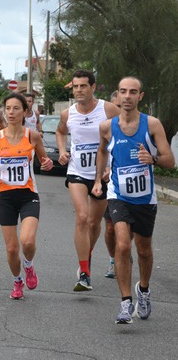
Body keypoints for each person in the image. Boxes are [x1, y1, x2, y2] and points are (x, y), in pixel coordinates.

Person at [92, 76, 174, 324]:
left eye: (133, 92)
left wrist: (154, 159)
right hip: (118, 194)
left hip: (145, 198)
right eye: (123, 91)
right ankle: (126, 303)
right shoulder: (107, 127)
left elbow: (170, 160)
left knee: (144, 250)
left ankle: (144, 291)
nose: (127, 96)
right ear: (117, 95)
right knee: (123, 245)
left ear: (141, 96)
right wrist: (98, 180)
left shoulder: (152, 125)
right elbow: (102, 151)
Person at [0, 93, 53, 299]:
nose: (11, 112)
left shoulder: (32, 136)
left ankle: (28, 265)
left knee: (27, 241)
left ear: (25, 112)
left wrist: (47, 164)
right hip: (5, 197)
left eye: (16, 108)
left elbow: (44, 161)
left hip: (28, 195)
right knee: (12, 250)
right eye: (8, 108)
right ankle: (17, 280)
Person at [56, 69, 121, 292]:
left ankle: (87, 254)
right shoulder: (68, 113)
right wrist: (63, 150)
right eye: (75, 86)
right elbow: (60, 131)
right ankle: (84, 272)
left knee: (94, 223)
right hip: (77, 172)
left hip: (102, 175)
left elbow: (121, 134)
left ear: (93, 87)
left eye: (83, 86)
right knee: (82, 217)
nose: (79, 90)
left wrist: (112, 166)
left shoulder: (108, 109)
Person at [103, 90, 121, 278]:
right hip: (110, 184)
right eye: (115, 105)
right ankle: (113, 258)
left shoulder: (140, 125)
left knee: (127, 229)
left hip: (132, 187)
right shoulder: (105, 127)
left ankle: (123, 252)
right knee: (109, 228)